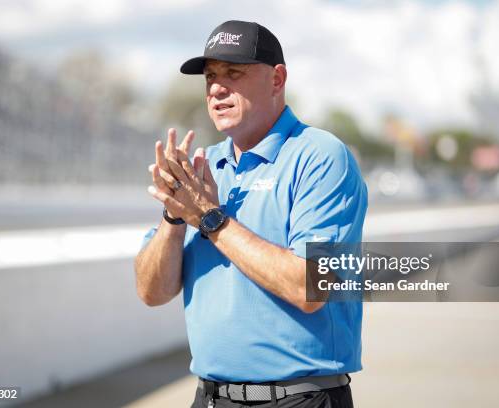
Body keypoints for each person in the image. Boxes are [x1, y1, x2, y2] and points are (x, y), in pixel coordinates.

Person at [135, 20, 368, 408]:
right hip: (210, 397)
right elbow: (151, 292)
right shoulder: (201, 167)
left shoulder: (321, 157)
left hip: (298, 398)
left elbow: (310, 286)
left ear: (277, 79)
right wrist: (175, 218)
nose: (216, 89)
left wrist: (210, 218)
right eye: (210, 77)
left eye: (234, 73)